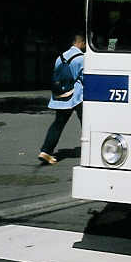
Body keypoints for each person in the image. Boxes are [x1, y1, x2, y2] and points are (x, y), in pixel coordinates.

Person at [38, 33, 86, 165]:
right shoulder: (81, 58)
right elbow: (85, 78)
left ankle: (46, 151)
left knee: (58, 124)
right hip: (77, 97)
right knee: (86, 123)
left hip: (61, 96)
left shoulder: (60, 57)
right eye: (84, 43)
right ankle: (90, 149)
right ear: (80, 43)